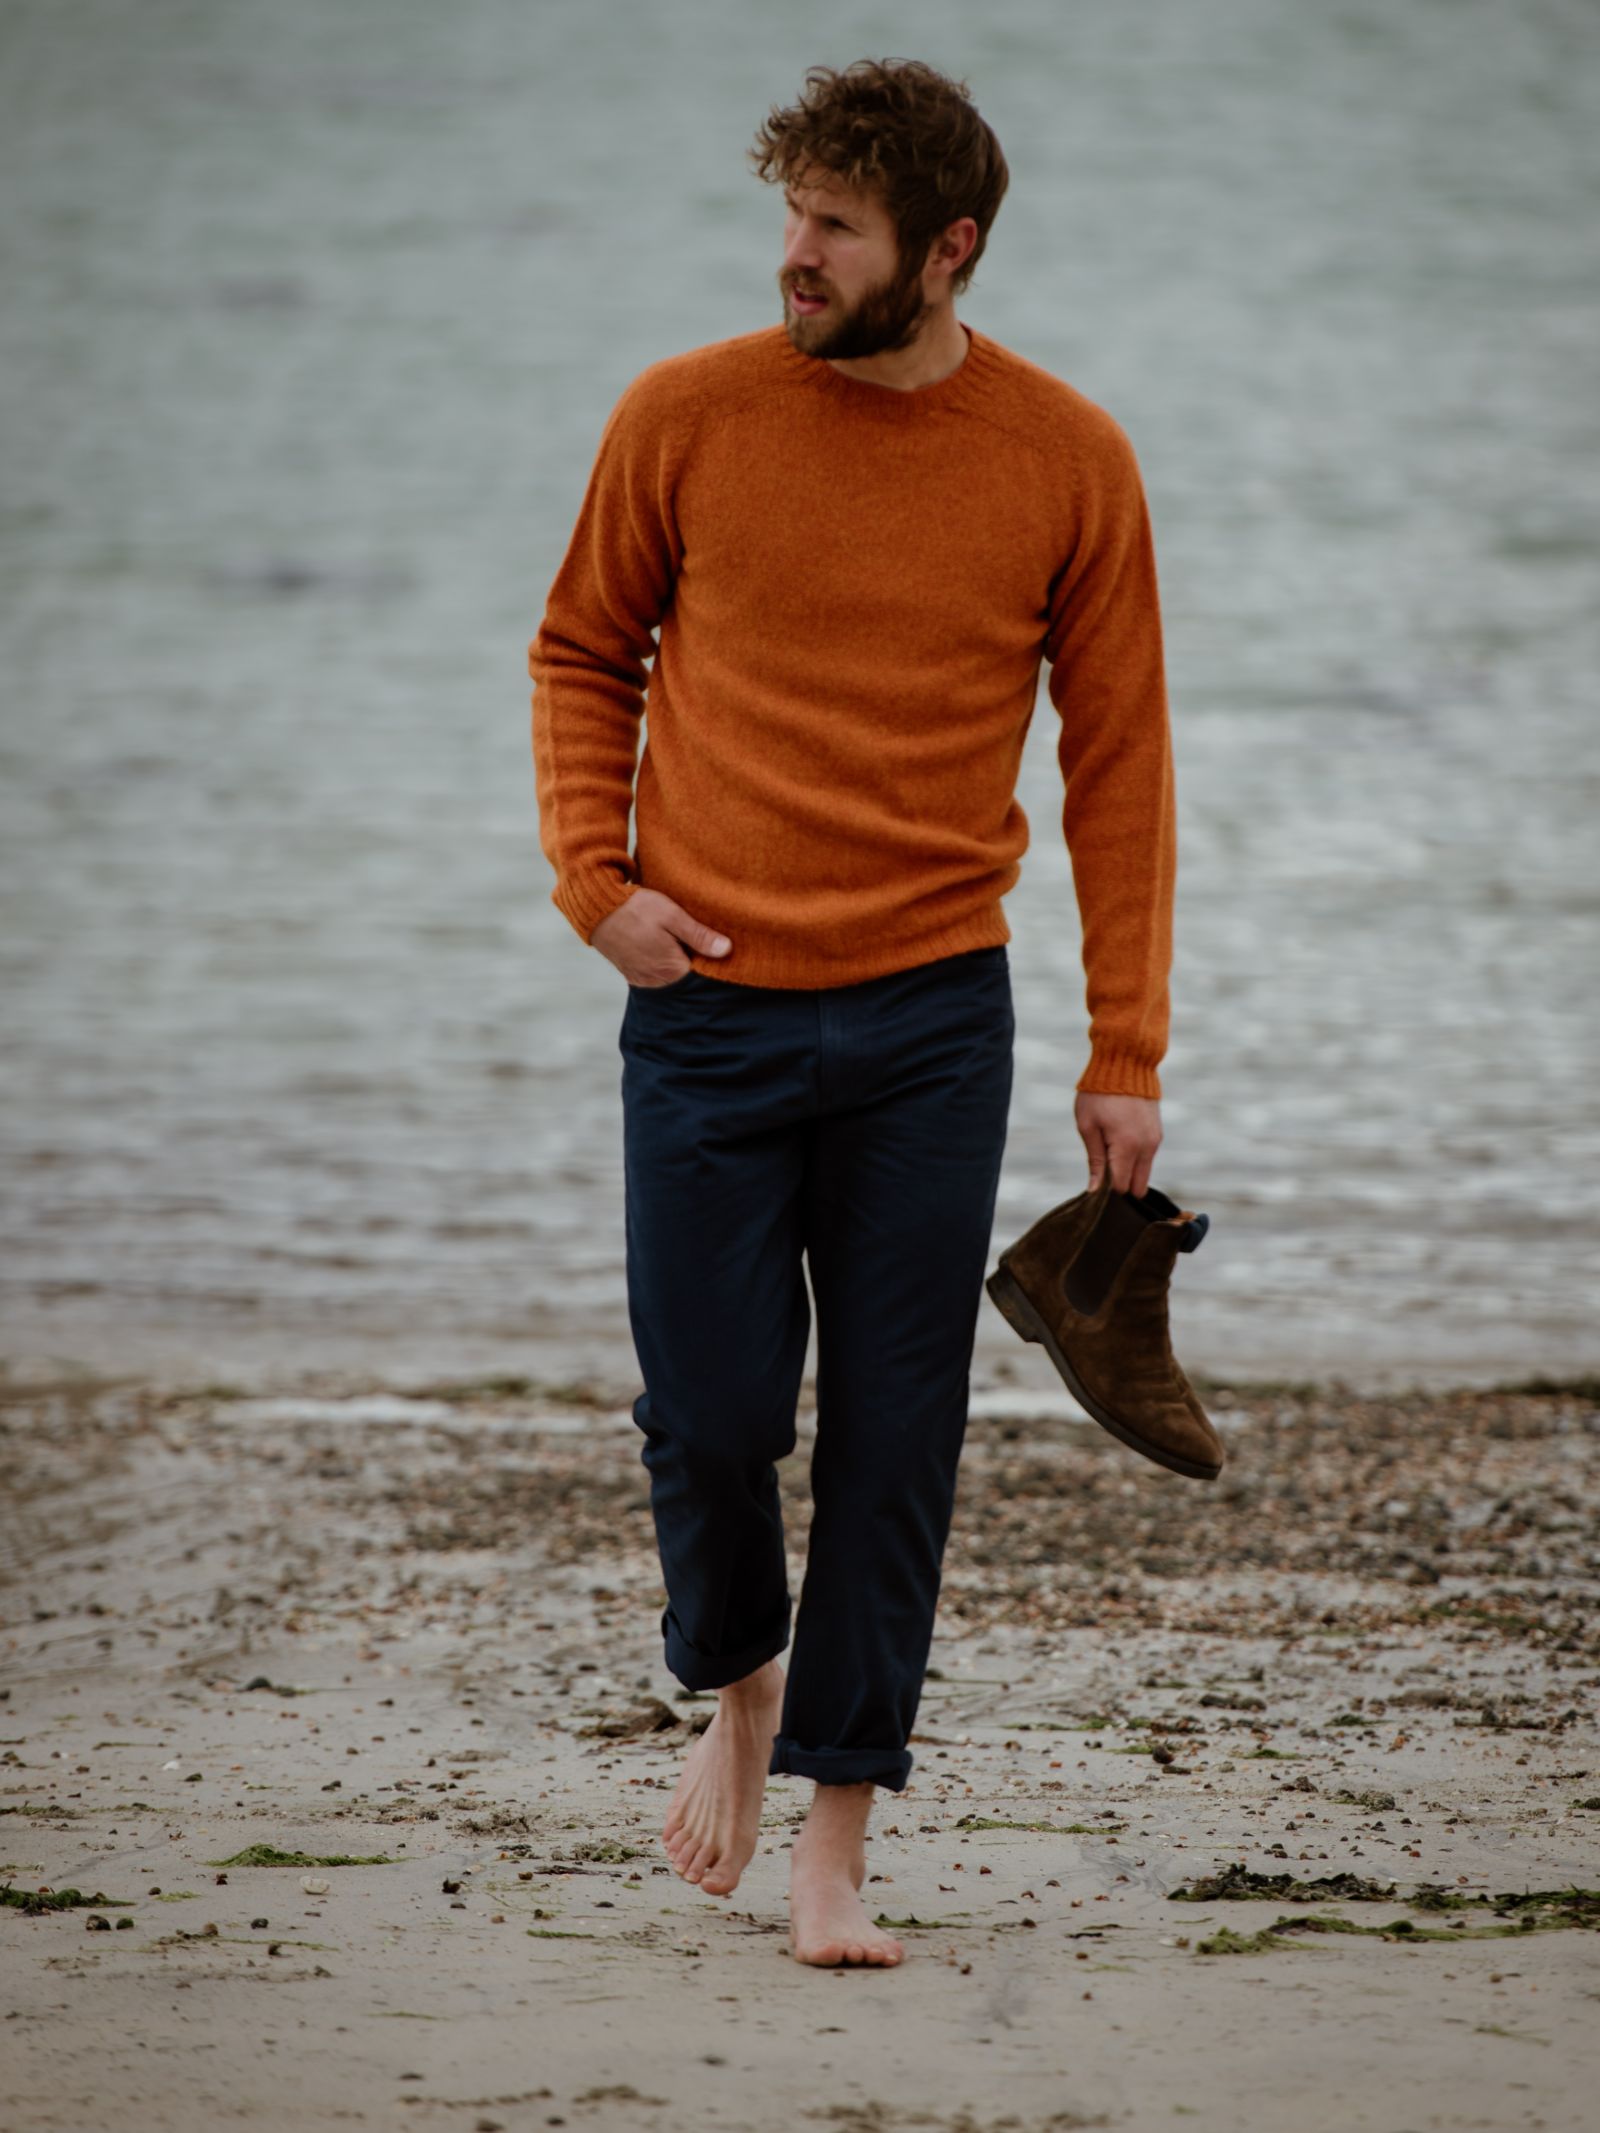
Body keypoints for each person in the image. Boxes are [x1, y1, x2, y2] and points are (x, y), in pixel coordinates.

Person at [528, 57, 1177, 1968]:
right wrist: (598, 887)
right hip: (707, 1007)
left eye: (835, 226)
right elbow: (582, 647)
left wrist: (1121, 1050)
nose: (792, 256)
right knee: (714, 1415)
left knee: (899, 1433)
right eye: (788, 214)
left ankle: (837, 1836)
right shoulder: (686, 414)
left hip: (928, 1021)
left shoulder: (1066, 457)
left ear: (946, 251)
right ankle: (740, 1678)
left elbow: (1120, 766)